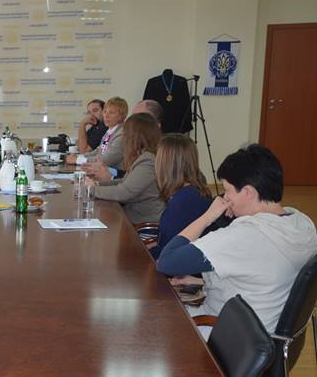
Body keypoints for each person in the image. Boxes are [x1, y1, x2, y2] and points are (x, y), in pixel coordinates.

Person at [156, 144, 317, 339]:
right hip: (263, 335)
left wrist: (208, 216)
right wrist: (201, 281)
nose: (224, 198)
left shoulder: (246, 235)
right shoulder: (303, 223)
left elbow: (167, 261)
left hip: (224, 336)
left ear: (247, 192)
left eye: (227, 191)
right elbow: (264, 274)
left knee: (153, 318)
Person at [86, 113, 164, 225]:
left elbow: (124, 192)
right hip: (132, 216)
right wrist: (98, 184)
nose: (123, 137)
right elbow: (125, 182)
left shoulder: (148, 161)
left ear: (134, 136)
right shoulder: (143, 156)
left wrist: (92, 190)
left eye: (125, 133)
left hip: (142, 222)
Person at [149, 134, 212, 257]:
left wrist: (142, 251)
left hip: (178, 265)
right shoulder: (195, 189)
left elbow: (167, 253)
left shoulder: (183, 201)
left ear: (164, 164)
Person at [68, 97, 127, 170]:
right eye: (105, 112)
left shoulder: (122, 133)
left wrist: (78, 160)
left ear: (122, 116)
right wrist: (80, 157)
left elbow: (106, 160)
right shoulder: (110, 131)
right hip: (103, 170)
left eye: (111, 112)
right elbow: (99, 151)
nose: (106, 116)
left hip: (115, 174)